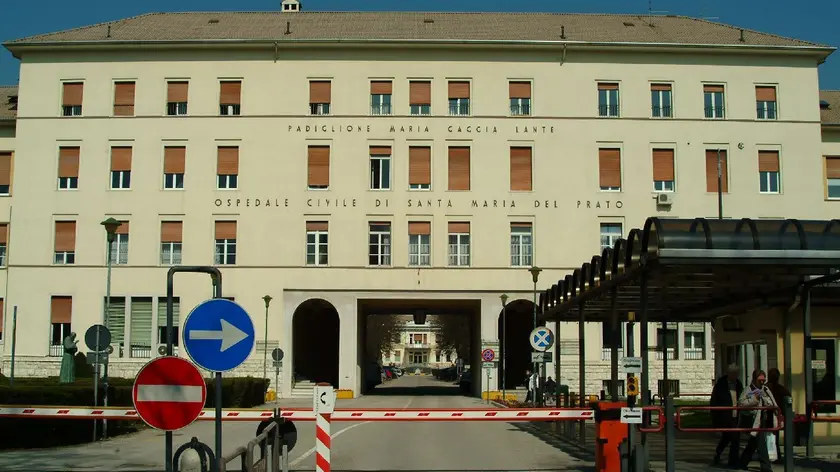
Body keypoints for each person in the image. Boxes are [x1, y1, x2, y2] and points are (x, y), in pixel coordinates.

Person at [738, 369, 777, 472]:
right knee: (761, 444)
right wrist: (754, 399)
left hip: (763, 419)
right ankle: (766, 467)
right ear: (754, 380)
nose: (762, 382)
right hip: (753, 420)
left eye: (763, 380)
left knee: (753, 443)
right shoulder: (748, 390)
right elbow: (741, 404)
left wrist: (767, 401)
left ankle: (742, 462)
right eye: (760, 380)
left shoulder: (765, 389)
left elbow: (772, 403)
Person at [710, 364, 743, 467]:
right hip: (725, 415)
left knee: (733, 437)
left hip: (735, 415)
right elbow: (714, 401)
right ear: (729, 373)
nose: (736, 376)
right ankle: (724, 456)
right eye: (734, 374)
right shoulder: (721, 385)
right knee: (729, 437)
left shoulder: (738, 384)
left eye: (737, 374)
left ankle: (731, 459)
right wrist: (716, 418)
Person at [766, 368, 790, 464]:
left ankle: (771, 456)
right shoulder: (782, 390)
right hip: (777, 416)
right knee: (774, 436)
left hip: (767, 415)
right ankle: (775, 456)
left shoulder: (765, 388)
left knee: (769, 436)